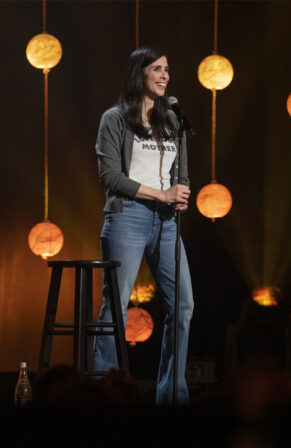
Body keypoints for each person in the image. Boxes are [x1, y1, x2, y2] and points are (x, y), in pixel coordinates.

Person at [92, 46, 194, 405]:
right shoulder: (115, 118)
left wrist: (181, 192)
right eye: (157, 69)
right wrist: (161, 194)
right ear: (140, 74)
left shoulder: (173, 119)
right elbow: (110, 176)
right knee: (116, 304)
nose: (165, 75)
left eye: (167, 69)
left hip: (167, 222)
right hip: (128, 216)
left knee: (183, 304)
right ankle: (106, 388)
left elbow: (181, 171)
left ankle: (172, 395)